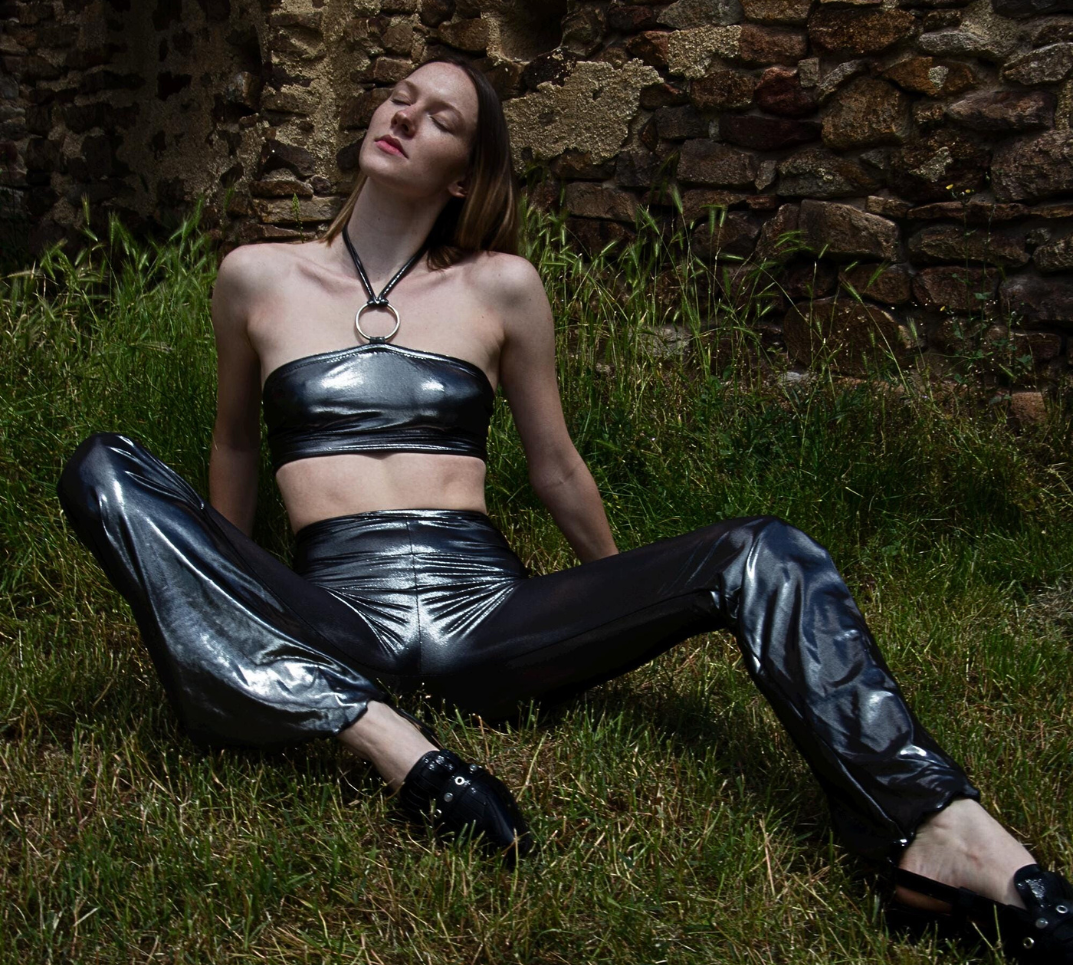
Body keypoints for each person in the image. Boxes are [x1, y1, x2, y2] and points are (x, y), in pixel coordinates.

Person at [58, 53, 1070, 961]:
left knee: (767, 550)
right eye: (400, 96)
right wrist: (232, 591)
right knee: (103, 467)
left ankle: (941, 833)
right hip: (337, 618)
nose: (405, 116)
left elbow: (555, 468)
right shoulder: (256, 276)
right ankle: (400, 750)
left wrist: (619, 600)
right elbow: (235, 445)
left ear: (466, 174)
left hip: (489, 615)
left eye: (441, 118)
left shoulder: (501, 287)